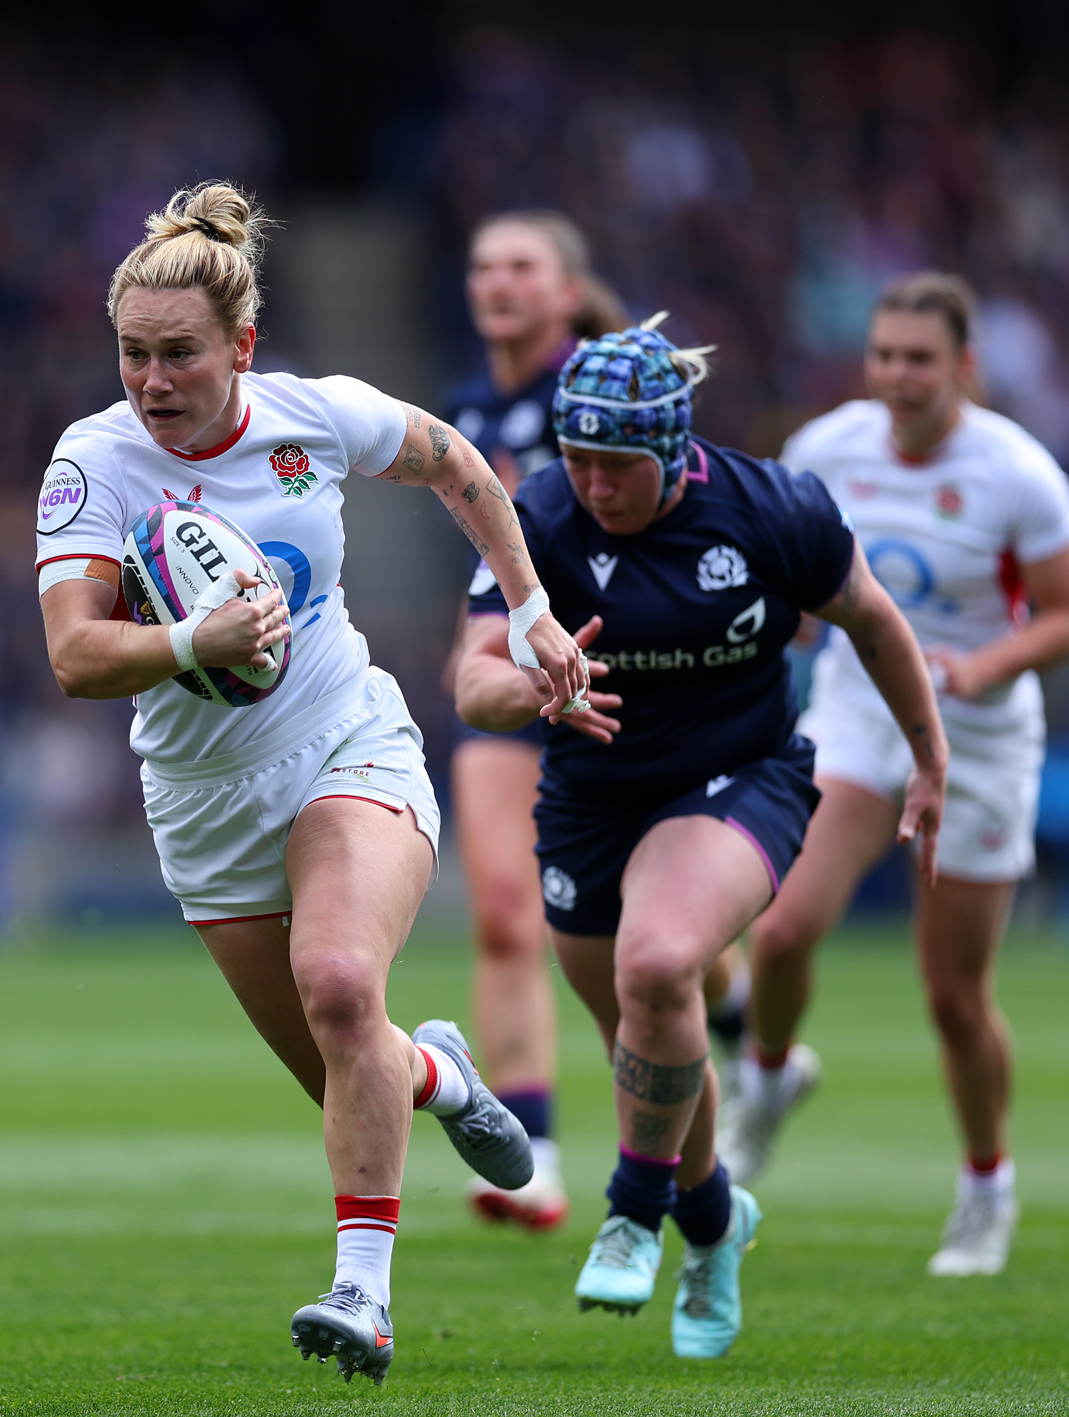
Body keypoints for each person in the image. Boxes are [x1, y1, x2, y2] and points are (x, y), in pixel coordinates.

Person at [34, 181, 592, 1385]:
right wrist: (196, 644)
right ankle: (438, 1067)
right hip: (200, 803)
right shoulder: (92, 461)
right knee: (352, 1061)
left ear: (240, 346)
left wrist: (531, 610)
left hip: (345, 741)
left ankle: (361, 1297)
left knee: (340, 982)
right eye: (130, 354)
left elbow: (459, 466)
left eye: (177, 354)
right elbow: (75, 655)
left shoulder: (316, 418)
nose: (149, 380)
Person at [457, 315, 947, 1359]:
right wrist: (534, 683)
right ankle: (716, 1224)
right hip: (590, 802)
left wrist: (929, 758)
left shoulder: (772, 509)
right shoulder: (536, 514)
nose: (591, 483)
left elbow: (872, 622)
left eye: (615, 465)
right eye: (577, 458)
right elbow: (468, 681)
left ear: (673, 449)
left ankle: (633, 1211)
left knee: (662, 958)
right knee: (649, 1033)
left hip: (743, 777)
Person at [726, 274, 1069, 1278]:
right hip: (858, 707)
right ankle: (763, 1081)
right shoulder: (825, 447)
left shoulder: (1017, 473)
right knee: (786, 925)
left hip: (977, 732)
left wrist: (980, 665)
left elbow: (1067, 615)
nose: (894, 374)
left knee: (951, 995)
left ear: (962, 367)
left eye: (916, 358)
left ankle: (985, 1188)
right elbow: (786, 575)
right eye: (882, 353)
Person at [440, 211, 626, 1232]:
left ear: (566, 290)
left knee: (643, 921)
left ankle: (727, 1017)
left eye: (519, 265)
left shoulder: (603, 386)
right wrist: (463, 642)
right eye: (480, 266)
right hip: (509, 682)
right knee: (506, 912)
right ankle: (533, 1150)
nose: (495, 282)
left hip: (610, 663)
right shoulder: (469, 402)